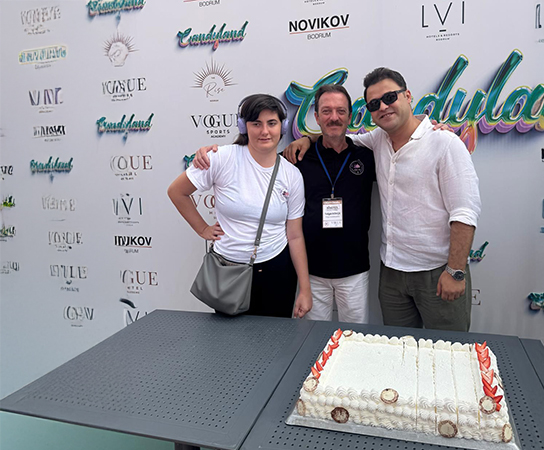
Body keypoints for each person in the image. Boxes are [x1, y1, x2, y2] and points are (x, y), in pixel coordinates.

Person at [285, 68, 481, 332]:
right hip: (392, 273)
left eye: (390, 97)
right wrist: (307, 139)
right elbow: (336, 136)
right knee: (397, 347)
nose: (383, 107)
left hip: (437, 272)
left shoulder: (445, 143)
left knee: (446, 347)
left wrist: (455, 271)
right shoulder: (376, 141)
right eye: (375, 104)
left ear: (407, 96)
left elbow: (464, 213)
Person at [194, 85, 376, 323]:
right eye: (326, 111)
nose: (334, 117)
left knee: (355, 336)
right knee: (311, 339)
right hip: (311, 271)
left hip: (354, 269)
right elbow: (260, 162)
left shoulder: (367, 156)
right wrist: (207, 152)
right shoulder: (297, 158)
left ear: (350, 116)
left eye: (341, 111)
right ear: (316, 117)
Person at [167, 94, 312, 321]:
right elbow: (177, 191)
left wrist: (305, 289)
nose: (265, 131)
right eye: (256, 124)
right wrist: (203, 229)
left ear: (282, 127)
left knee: (276, 339)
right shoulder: (221, 158)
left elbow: (294, 236)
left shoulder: (291, 175)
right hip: (227, 271)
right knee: (228, 340)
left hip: (277, 272)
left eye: (272, 123)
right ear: (244, 127)